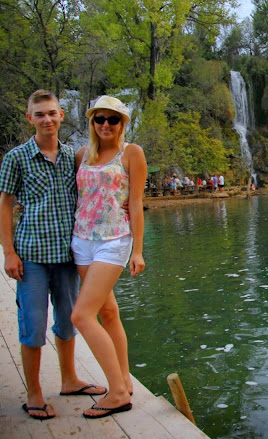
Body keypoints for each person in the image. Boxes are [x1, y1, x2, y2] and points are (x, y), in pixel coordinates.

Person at [0, 90, 107, 421]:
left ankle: (69, 380)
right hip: (31, 256)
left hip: (66, 256)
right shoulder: (16, 158)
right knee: (33, 325)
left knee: (67, 321)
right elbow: (5, 205)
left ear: (61, 115)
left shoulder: (75, 157)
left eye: (51, 113)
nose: (47, 119)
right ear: (29, 118)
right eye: (40, 114)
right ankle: (33, 392)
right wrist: (8, 253)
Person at [70, 95, 147, 419]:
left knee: (81, 316)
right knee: (108, 312)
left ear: (122, 123)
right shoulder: (81, 155)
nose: (105, 125)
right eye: (99, 119)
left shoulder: (131, 153)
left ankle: (116, 393)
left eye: (112, 119)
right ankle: (125, 380)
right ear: (92, 122)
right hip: (81, 241)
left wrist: (138, 250)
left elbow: (136, 202)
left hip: (114, 240)